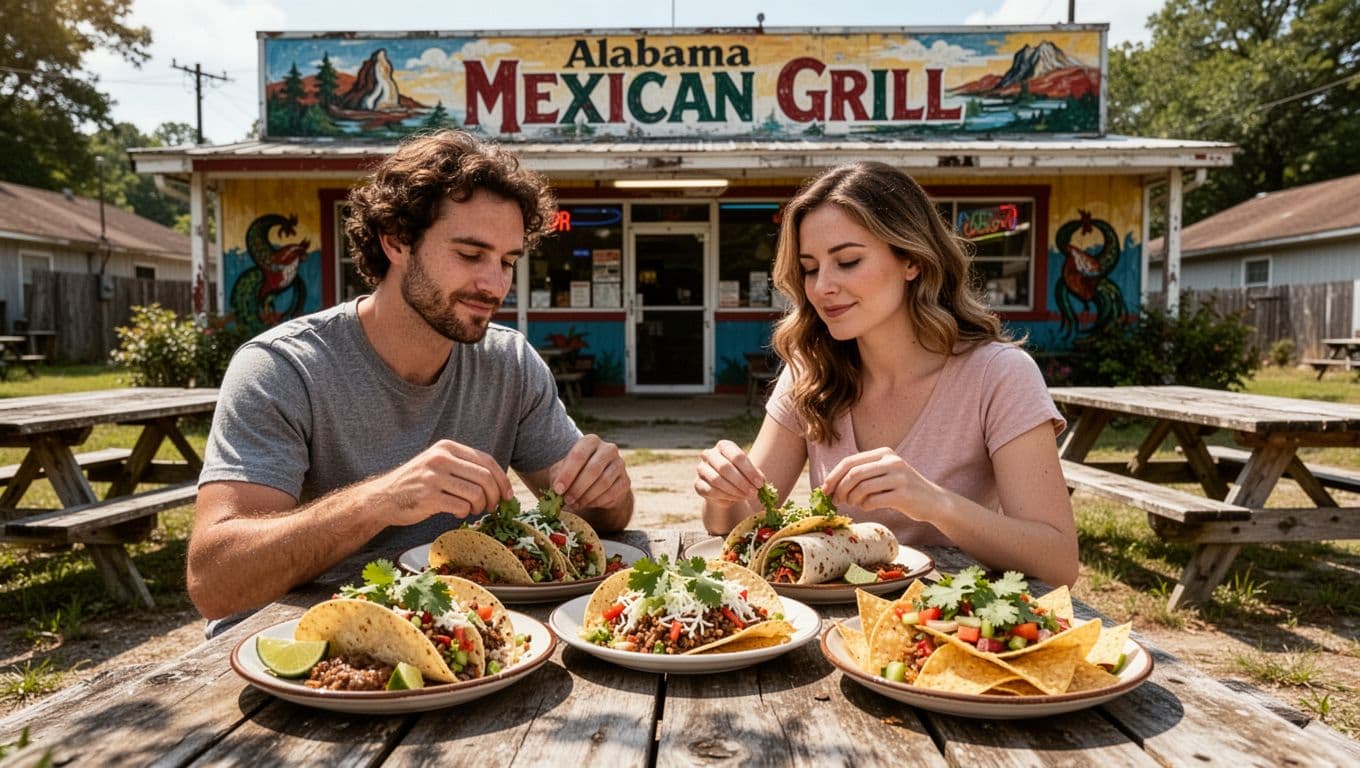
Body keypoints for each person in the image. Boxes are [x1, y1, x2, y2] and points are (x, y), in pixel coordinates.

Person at [189, 130, 634, 620]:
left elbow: (600, 518)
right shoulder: (282, 368)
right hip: (302, 649)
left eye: (507, 261)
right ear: (397, 240)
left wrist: (608, 491)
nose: (495, 284)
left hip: (466, 634)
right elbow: (215, 581)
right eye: (470, 255)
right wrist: (381, 499)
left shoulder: (509, 362)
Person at [695, 162, 1077, 587]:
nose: (822, 287)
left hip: (954, 625)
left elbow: (1058, 562)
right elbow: (738, 526)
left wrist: (932, 502)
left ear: (911, 259)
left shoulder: (999, 375)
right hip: (832, 623)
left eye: (848, 261)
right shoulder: (810, 369)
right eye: (809, 267)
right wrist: (721, 493)